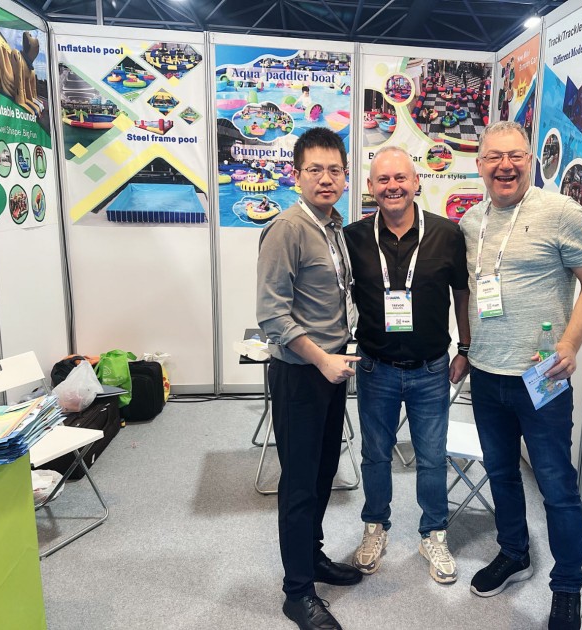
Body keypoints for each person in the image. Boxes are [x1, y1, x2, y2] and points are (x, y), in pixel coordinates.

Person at [459, 121, 582, 630]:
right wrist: (464, 347)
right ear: (480, 165)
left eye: (516, 156)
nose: (505, 166)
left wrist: (570, 344)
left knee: (556, 486)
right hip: (486, 374)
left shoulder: (560, 212)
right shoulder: (471, 222)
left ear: (530, 160)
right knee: (501, 473)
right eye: (494, 157)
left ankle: (567, 587)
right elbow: (468, 292)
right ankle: (514, 551)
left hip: (542, 376)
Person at [344, 146, 470, 584]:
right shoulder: (353, 237)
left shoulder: (447, 234)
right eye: (383, 179)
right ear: (370, 187)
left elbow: (461, 294)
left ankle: (433, 533)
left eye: (401, 178)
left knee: (432, 457)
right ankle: (375, 527)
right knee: (375, 454)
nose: (393, 186)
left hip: (430, 368)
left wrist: (465, 348)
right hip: (375, 367)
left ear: (417, 182)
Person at [257, 127, 362, 630]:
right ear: (296, 174)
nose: (326, 178)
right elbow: (271, 316)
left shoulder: (333, 226)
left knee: (323, 473)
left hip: (331, 371)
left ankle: (311, 556)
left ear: (345, 175)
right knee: (299, 483)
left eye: (334, 170)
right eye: (315, 169)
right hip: (302, 373)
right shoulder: (287, 229)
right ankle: (296, 592)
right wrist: (322, 358)